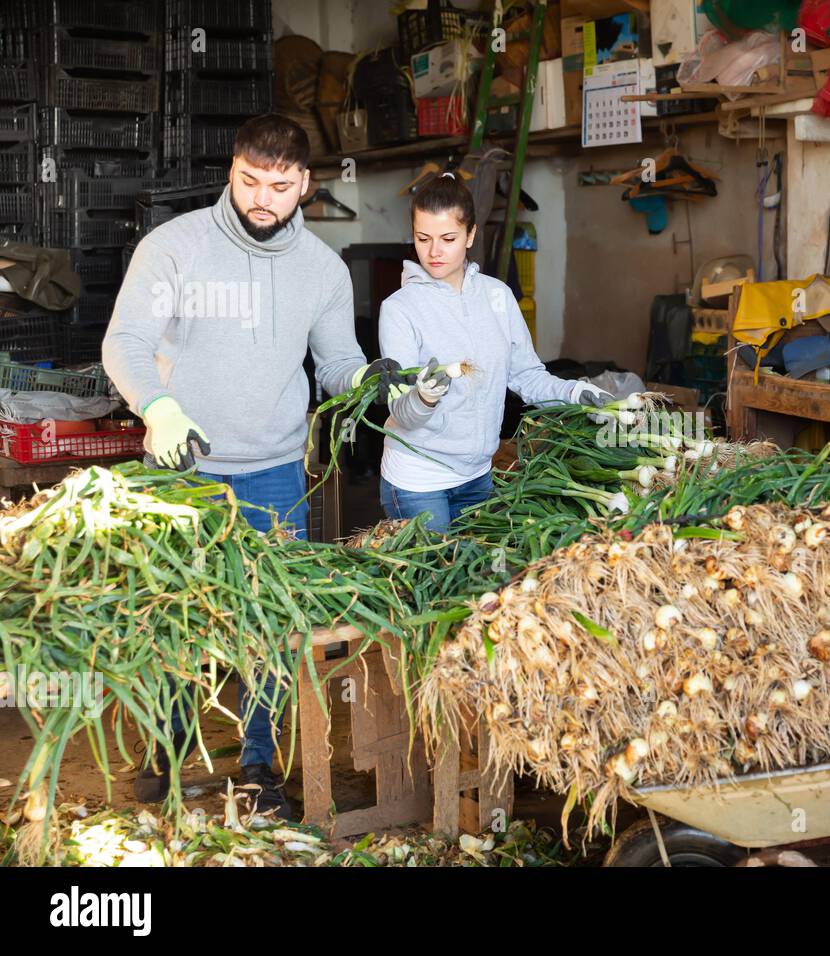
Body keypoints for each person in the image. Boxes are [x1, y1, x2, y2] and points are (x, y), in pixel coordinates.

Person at [102, 114, 406, 818]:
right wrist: (159, 407)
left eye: (278, 186)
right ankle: (169, 751)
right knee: (174, 615)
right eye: (248, 182)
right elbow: (127, 341)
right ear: (231, 171)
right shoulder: (173, 248)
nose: (261, 199)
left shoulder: (321, 269)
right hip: (181, 469)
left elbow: (335, 363)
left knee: (267, 625)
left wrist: (371, 384)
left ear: (304, 183)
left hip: (272, 471)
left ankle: (259, 767)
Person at [376, 173, 610, 531]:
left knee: (475, 579)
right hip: (418, 482)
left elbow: (526, 376)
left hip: (478, 478)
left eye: (448, 239)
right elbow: (401, 411)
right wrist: (423, 398)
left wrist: (574, 392)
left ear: (470, 235)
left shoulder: (498, 296)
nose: (434, 251)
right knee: (431, 581)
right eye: (423, 239)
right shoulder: (399, 308)